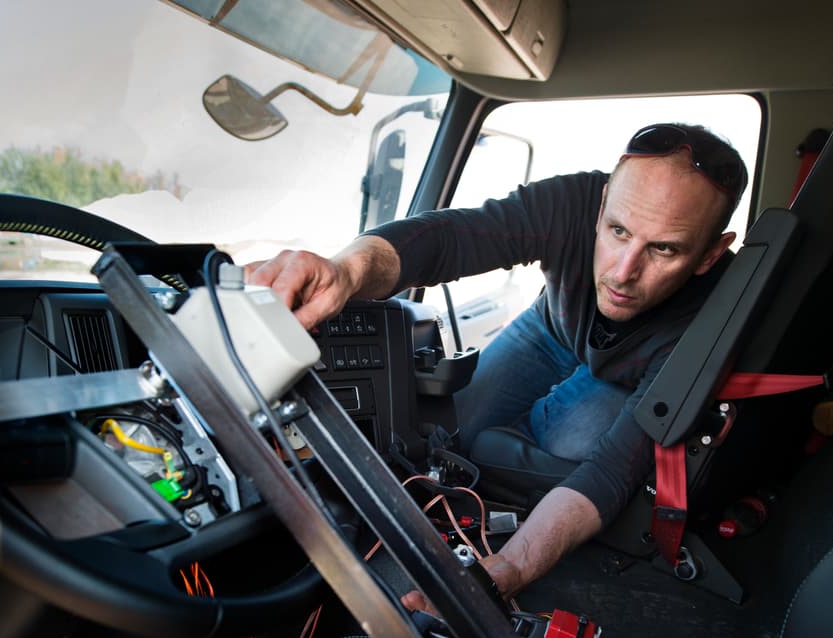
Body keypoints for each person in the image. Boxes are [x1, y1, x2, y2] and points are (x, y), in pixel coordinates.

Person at [248, 123, 749, 607]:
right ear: (602, 204)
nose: (623, 272)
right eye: (618, 231)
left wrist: (512, 567)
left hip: (625, 378)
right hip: (550, 330)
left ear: (709, 255)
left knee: (564, 445)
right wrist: (347, 271)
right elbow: (451, 237)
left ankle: (518, 457)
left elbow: (614, 470)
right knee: (453, 433)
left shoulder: (712, 321)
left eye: (663, 249)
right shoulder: (574, 200)